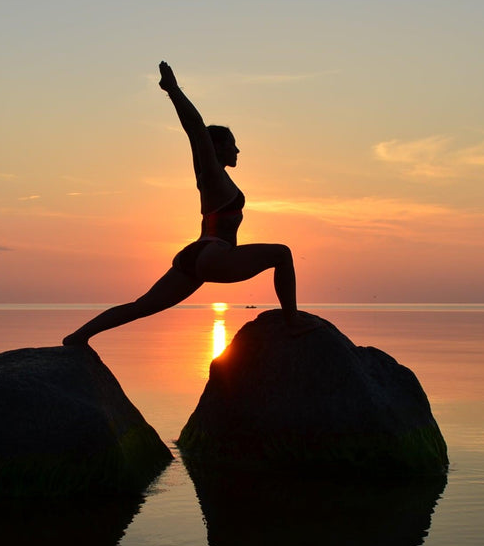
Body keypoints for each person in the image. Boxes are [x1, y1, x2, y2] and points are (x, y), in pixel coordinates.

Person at [62, 61, 310, 346]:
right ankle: (292, 321)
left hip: (194, 255)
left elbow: (196, 138)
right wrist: (173, 90)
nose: (237, 149)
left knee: (141, 306)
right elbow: (196, 130)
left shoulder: (207, 176)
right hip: (214, 254)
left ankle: (78, 337)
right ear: (218, 148)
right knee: (282, 254)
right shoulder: (214, 175)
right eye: (232, 143)